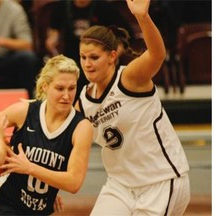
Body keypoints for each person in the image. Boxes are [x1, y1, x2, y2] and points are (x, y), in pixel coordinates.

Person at [75, 0, 190, 215]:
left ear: (112, 57)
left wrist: (142, 17)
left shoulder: (130, 78)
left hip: (161, 181)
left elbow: (156, 55)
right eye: (83, 57)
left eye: (94, 57)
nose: (87, 64)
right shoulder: (83, 100)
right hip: (120, 185)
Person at [0, 54, 93, 215]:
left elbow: (74, 183)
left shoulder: (81, 127)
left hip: (40, 210)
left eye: (72, 88)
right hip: (4, 203)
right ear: (45, 86)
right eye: (59, 88)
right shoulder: (24, 112)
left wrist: (30, 168)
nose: (66, 95)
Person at [45, 0, 134, 102]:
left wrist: (112, 56)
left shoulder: (105, 7)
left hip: (101, 58)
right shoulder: (61, 6)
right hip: (71, 60)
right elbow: (53, 31)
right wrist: (52, 39)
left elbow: (125, 36)